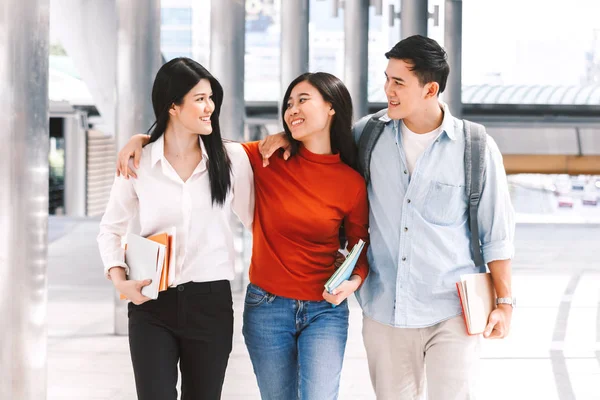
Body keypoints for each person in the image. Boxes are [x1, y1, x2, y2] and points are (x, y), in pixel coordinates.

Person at [259, 35, 516, 400]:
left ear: (430, 89)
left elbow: (497, 235)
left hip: (453, 310)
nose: (387, 90)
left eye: (399, 82)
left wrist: (505, 304)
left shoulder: (475, 148)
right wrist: (287, 137)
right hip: (385, 311)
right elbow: (321, 153)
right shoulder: (368, 134)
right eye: (386, 78)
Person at [115, 71, 370, 400]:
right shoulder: (264, 159)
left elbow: (360, 245)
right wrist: (142, 139)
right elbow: (195, 144)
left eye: (302, 100)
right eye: (288, 104)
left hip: (325, 309)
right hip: (267, 307)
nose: (292, 109)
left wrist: (354, 280)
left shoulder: (350, 182)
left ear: (332, 107)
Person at [97, 57, 254, 400]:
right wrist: (120, 279)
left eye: (211, 98)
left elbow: (257, 219)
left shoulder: (232, 160)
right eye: (199, 98)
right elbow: (110, 229)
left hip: (210, 303)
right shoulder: (139, 162)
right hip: (152, 302)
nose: (209, 106)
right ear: (172, 106)